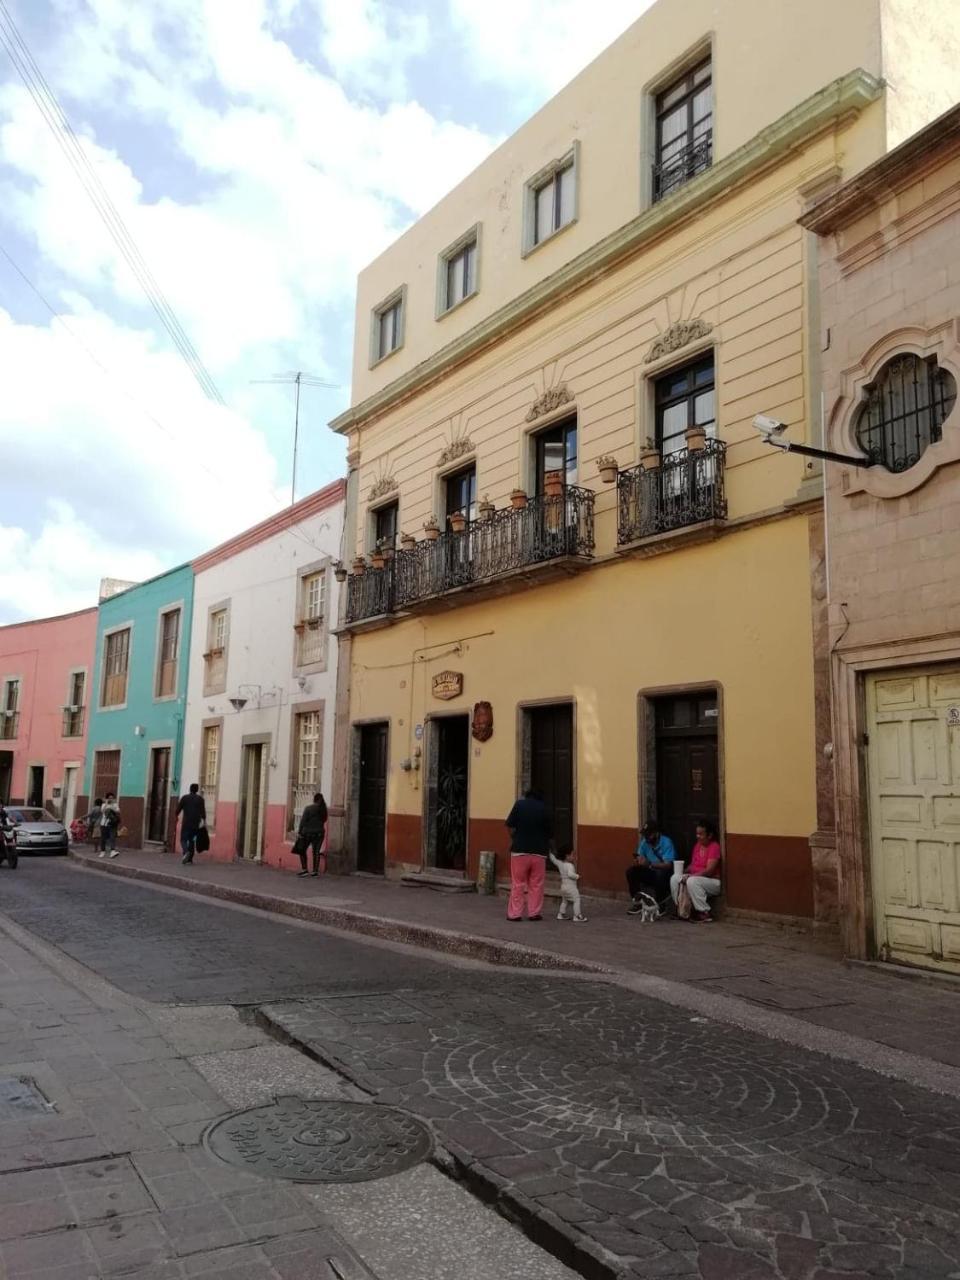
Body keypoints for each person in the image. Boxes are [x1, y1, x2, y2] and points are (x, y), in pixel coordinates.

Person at [504, 788, 552, 921]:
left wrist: (514, 838)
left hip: (520, 851)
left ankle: (515, 914)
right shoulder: (544, 808)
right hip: (539, 853)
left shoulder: (519, 805)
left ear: (527, 796)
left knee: (518, 883)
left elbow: (508, 825)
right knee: (536, 884)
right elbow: (549, 832)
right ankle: (534, 913)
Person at [671, 821, 722, 922]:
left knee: (692, 881)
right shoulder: (697, 846)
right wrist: (683, 872)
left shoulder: (714, 847)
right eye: (697, 833)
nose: (698, 836)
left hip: (712, 881)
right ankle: (681, 909)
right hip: (696, 877)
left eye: (701, 834)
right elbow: (693, 865)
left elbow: (709, 871)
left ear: (710, 835)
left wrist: (690, 876)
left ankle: (704, 912)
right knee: (675, 878)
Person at [627, 819, 676, 915]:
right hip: (650, 871)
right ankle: (638, 902)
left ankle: (660, 905)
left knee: (660, 874)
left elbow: (668, 865)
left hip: (665, 874)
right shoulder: (645, 842)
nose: (646, 837)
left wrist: (649, 864)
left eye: (649, 835)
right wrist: (638, 861)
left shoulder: (666, 842)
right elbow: (640, 856)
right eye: (645, 835)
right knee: (631, 872)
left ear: (657, 833)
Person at [549, 844, 587, 922]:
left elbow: (554, 860)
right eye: (573, 854)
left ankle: (561, 914)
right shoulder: (570, 865)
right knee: (576, 899)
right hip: (571, 887)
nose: (574, 856)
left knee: (565, 900)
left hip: (563, 887)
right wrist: (577, 876)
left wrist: (550, 853)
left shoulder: (560, 864)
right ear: (567, 856)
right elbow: (570, 874)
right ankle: (577, 916)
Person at [296, 792, 328, 877]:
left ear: (314, 799)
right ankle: (315, 871)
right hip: (320, 833)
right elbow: (324, 820)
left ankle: (305, 869)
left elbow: (303, 822)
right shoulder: (323, 810)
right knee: (316, 852)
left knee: (302, 850)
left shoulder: (308, 808)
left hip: (308, 833)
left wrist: (299, 832)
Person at [176, 783, 207, 865]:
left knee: (183, 839)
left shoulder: (185, 798)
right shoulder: (201, 799)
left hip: (186, 823)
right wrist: (204, 821)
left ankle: (186, 852)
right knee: (192, 840)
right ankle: (190, 859)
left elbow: (178, 810)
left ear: (190, 789)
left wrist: (176, 816)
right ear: (197, 790)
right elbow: (203, 813)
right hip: (195, 825)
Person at [98, 793, 121, 859]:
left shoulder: (115, 805)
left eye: (112, 798)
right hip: (104, 824)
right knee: (103, 838)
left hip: (112, 823)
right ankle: (102, 851)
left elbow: (118, 811)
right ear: (107, 798)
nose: (111, 799)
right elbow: (102, 811)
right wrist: (106, 804)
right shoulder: (103, 805)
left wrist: (112, 807)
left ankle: (112, 851)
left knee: (112, 837)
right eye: (109, 798)